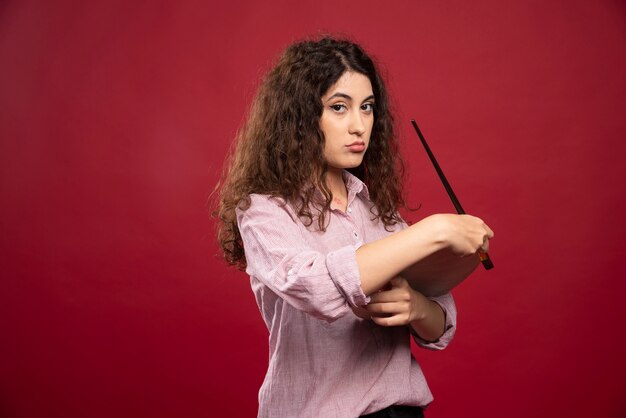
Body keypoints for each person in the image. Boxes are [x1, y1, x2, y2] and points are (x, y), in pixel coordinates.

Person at [214, 36, 493, 418]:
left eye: (367, 108)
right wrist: (433, 232)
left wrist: (415, 306)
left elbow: (439, 324)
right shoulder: (264, 210)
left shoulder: (376, 209)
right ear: (299, 117)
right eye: (339, 107)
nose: (359, 125)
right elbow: (314, 288)